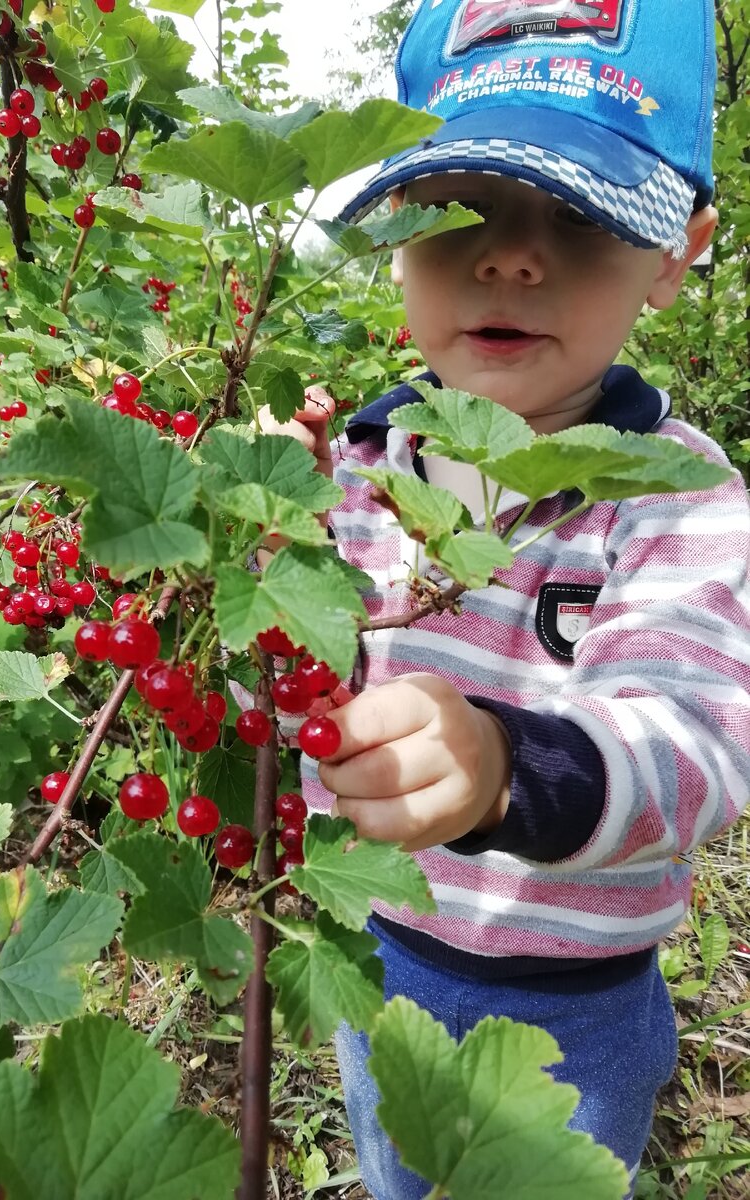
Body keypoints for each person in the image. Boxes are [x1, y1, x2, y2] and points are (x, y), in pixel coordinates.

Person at [256, 1, 750, 1197]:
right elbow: (276, 708)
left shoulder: (678, 497)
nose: (511, 255)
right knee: (395, 1171)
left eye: (580, 212)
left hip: (578, 1011)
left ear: (680, 250)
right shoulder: (349, 474)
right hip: (381, 962)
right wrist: (249, 532)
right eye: (459, 207)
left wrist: (503, 766)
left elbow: (697, 747)